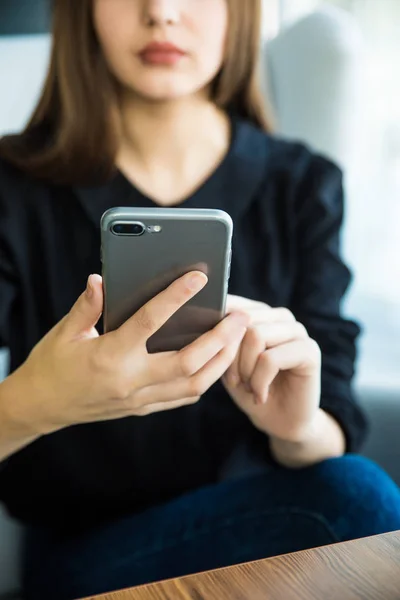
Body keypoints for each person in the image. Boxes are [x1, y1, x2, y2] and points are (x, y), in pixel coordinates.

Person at [0, 0, 399, 598]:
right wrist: (43, 400)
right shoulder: (13, 186)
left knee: (351, 490)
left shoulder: (303, 184)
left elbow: (333, 425)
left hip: (268, 534)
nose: (161, 12)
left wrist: (295, 428)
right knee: (358, 500)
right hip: (81, 557)